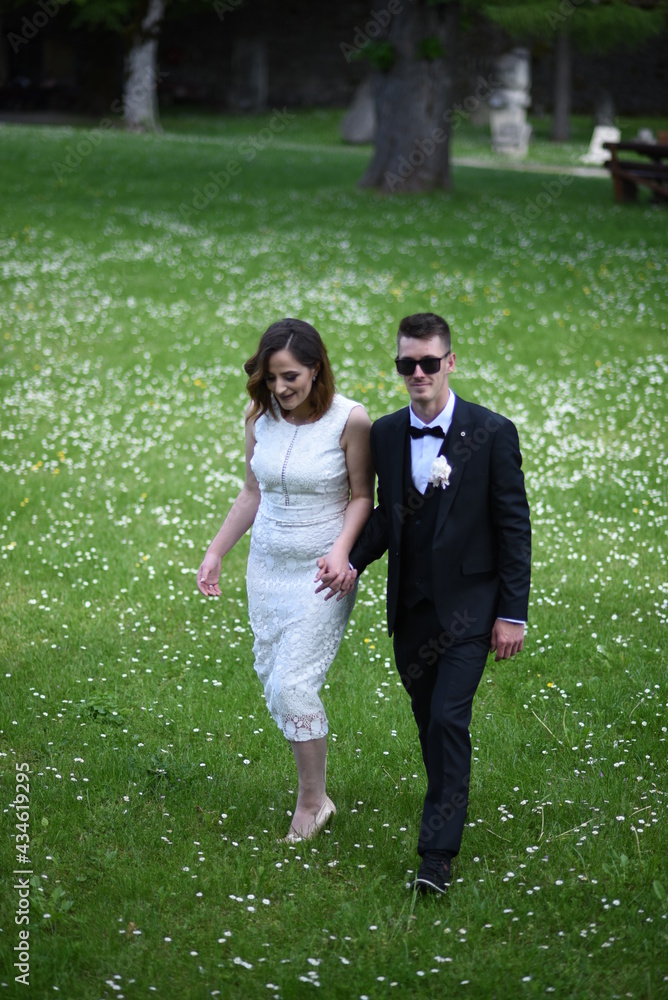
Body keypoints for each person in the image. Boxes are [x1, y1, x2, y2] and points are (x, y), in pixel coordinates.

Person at [318, 312, 531, 894]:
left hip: (470, 610)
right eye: (406, 364)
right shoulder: (386, 434)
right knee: (428, 724)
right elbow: (388, 515)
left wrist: (512, 614)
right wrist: (352, 559)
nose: (417, 373)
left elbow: (514, 529)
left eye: (428, 363)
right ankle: (447, 796)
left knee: (446, 719)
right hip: (410, 612)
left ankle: (436, 856)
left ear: (450, 363)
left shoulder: (492, 431)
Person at [197, 318, 374, 842]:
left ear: (316, 369)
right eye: (272, 378)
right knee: (274, 682)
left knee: (292, 685)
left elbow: (363, 496)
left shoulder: (351, 420)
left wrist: (342, 553)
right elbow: (251, 493)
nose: (281, 389)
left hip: (324, 573)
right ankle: (315, 793)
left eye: (291, 376)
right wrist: (215, 552)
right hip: (268, 569)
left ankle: (312, 803)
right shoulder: (260, 417)